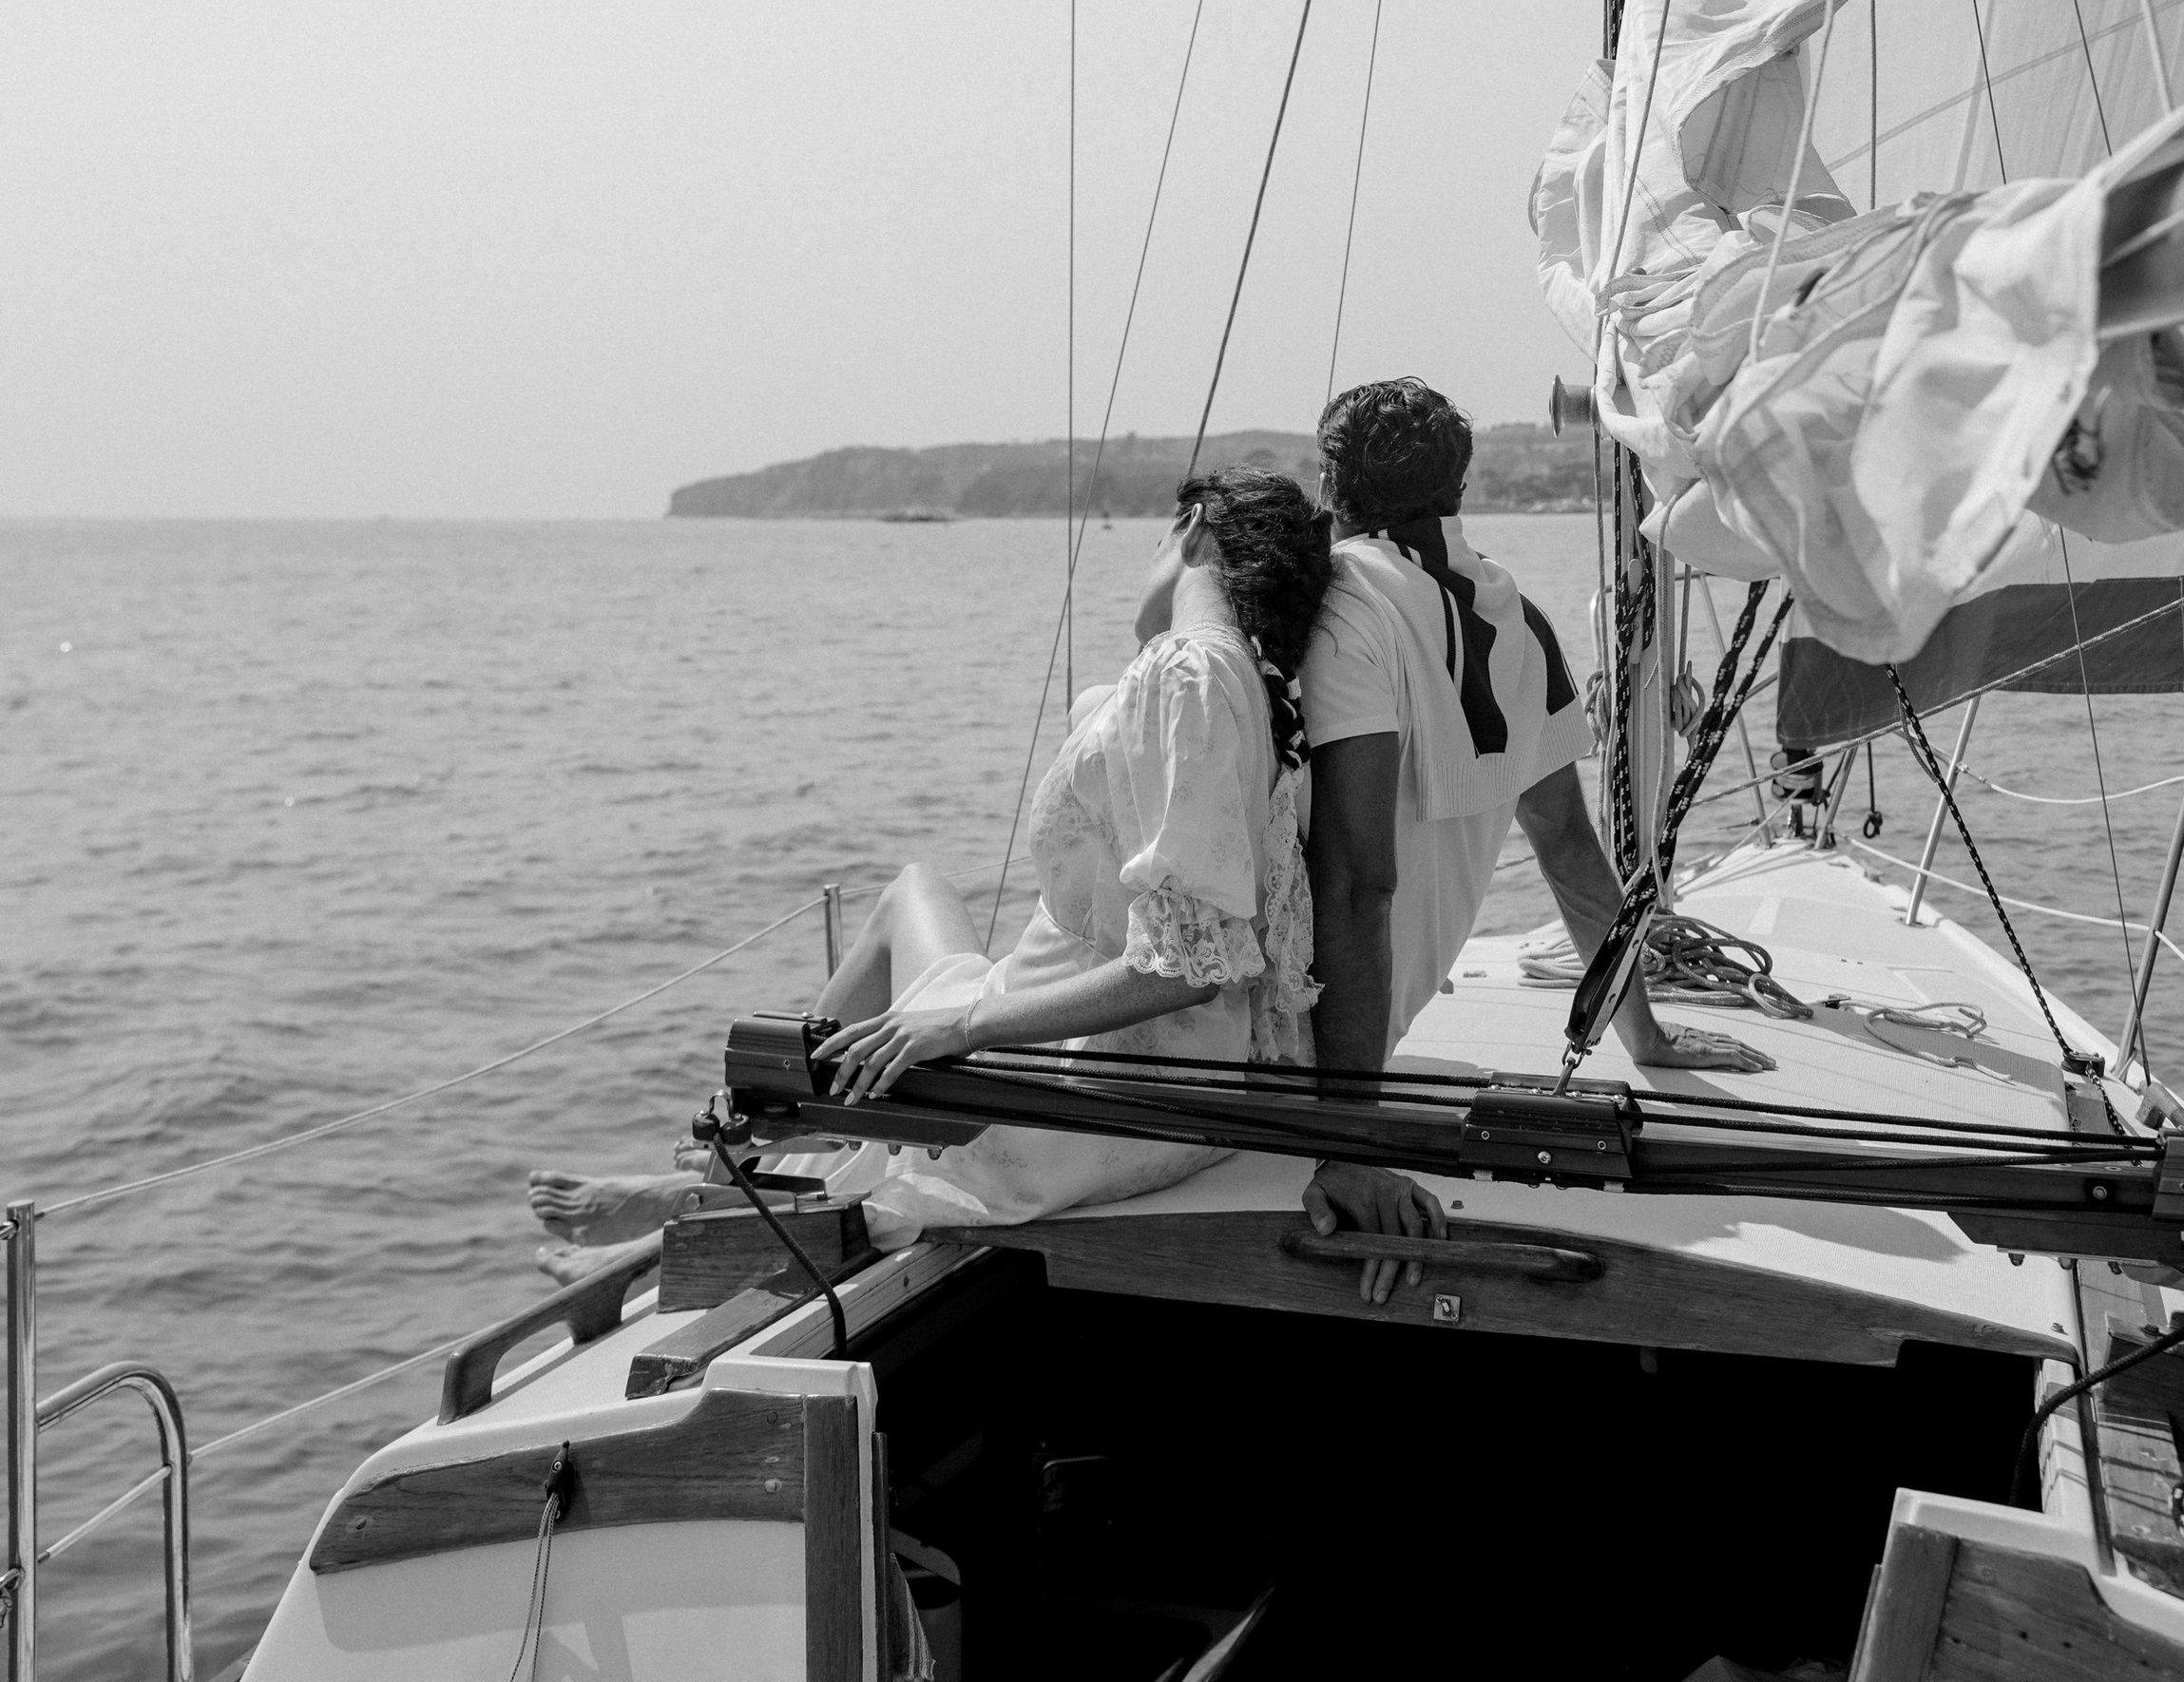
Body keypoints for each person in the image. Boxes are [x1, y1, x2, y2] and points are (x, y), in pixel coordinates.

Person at [530, 466, 1333, 1269]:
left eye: (1159, 536)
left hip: (1091, 1083)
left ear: (1192, 528)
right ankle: (724, 1175)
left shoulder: (1190, 672)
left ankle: (706, 1199)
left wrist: (961, 1027)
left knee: (908, 974)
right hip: (1163, 1069)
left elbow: (1187, 967)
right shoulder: (1248, 687)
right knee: (913, 892)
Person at [1295, 376, 1766, 1299]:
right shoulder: (1516, 619)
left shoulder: (1342, 603)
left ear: (1328, 485)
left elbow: (1356, 884)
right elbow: (1569, 849)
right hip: (1373, 1038)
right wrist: (1640, 1032)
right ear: (1459, 488)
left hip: (1303, 1047)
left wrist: (1342, 1140)